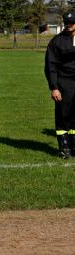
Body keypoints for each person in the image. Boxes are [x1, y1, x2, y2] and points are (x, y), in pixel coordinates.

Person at [44, 11, 75, 158]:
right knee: (64, 114)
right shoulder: (56, 42)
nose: (69, 25)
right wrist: (54, 88)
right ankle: (64, 148)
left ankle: (73, 146)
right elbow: (50, 66)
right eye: (67, 22)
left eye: (72, 22)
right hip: (64, 82)